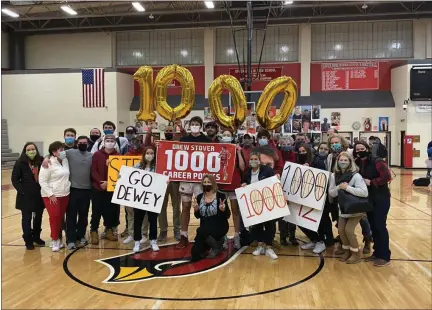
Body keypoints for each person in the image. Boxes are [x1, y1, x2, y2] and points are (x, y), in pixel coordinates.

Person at [354, 141, 392, 267]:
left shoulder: (377, 161)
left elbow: (387, 176)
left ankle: (385, 255)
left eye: (362, 148)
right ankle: (377, 252)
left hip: (381, 198)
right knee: (373, 226)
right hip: (368, 199)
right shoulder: (358, 162)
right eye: (357, 149)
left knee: (380, 226)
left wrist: (372, 182)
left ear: (367, 148)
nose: (360, 151)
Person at [329, 151, 368, 264]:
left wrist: (347, 188)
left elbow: (364, 193)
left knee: (349, 230)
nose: (343, 162)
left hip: (356, 208)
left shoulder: (356, 175)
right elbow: (331, 193)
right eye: (341, 160)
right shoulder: (333, 175)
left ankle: (356, 253)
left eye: (346, 160)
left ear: (350, 162)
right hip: (343, 208)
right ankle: (346, 250)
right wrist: (339, 188)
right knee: (341, 230)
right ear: (337, 162)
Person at [177, 116, 210, 248]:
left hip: (201, 180)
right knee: (185, 207)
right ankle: (183, 236)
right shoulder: (183, 139)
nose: (195, 126)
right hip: (186, 178)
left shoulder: (206, 140)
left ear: (201, 126)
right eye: (193, 124)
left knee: (202, 209)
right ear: (189, 125)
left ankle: (203, 235)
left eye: (197, 124)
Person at [242, 150, 278, 260]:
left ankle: (269, 247)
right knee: (256, 225)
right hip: (254, 202)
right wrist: (243, 185)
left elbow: (273, 183)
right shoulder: (247, 172)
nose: (253, 161)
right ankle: (260, 245)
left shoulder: (267, 170)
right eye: (251, 159)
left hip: (267, 201)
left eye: (255, 159)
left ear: (259, 160)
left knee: (269, 224)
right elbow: (244, 183)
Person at [300, 142, 334, 254]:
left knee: (323, 219)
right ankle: (315, 239)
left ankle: (324, 241)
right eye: (321, 148)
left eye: (325, 148)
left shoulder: (331, 161)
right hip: (312, 193)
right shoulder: (313, 159)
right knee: (307, 218)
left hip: (325, 194)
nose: (323, 150)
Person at [11, 142, 46, 250]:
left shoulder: (41, 160)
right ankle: (28, 240)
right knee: (27, 218)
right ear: (25, 151)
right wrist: (22, 191)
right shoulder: (20, 162)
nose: (31, 151)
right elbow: (15, 179)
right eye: (28, 150)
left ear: (36, 150)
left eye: (33, 149)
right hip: (25, 196)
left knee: (38, 217)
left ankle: (36, 236)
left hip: (39, 194)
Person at [61, 136, 94, 250]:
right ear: (76, 143)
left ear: (88, 144)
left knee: (83, 215)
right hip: (73, 189)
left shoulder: (91, 156)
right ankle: (70, 239)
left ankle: (81, 236)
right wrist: (46, 159)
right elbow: (55, 154)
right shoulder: (70, 153)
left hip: (87, 190)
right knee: (71, 215)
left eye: (84, 143)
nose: (82, 144)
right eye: (80, 142)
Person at [39, 141, 71, 252]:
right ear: (54, 152)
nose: (63, 152)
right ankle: (55, 240)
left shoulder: (65, 160)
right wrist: (50, 194)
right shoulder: (48, 163)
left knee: (60, 217)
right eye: (60, 150)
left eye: (63, 149)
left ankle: (58, 238)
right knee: (55, 217)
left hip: (65, 194)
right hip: (52, 196)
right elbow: (42, 180)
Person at [191, 175, 230, 261]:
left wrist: (223, 209)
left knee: (200, 230)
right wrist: (196, 209)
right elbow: (197, 216)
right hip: (205, 230)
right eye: (204, 182)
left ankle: (216, 247)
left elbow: (228, 215)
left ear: (213, 183)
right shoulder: (199, 197)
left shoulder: (221, 196)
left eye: (209, 182)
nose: (206, 184)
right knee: (195, 254)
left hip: (219, 226)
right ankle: (217, 244)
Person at [218, 130, 246, 249]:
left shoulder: (237, 149)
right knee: (223, 212)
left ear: (232, 137)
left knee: (235, 211)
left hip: (234, 183)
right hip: (221, 184)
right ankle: (223, 236)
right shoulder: (217, 149)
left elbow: (242, 167)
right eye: (224, 135)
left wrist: (239, 152)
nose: (226, 137)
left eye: (228, 135)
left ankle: (236, 235)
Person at [90, 134, 120, 244]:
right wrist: (100, 182)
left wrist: (110, 182)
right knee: (96, 210)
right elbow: (93, 170)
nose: (110, 142)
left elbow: (120, 172)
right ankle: (93, 230)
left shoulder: (118, 155)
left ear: (115, 142)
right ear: (104, 141)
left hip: (112, 188)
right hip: (98, 187)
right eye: (108, 140)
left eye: (112, 140)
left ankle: (108, 230)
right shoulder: (97, 155)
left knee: (110, 210)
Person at [132, 146, 160, 253]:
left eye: (152, 153)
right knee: (138, 221)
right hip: (139, 197)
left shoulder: (158, 167)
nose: (150, 155)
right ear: (144, 155)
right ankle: (137, 242)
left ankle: (153, 240)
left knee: (153, 220)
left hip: (153, 198)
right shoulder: (137, 166)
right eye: (147, 153)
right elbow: (130, 179)